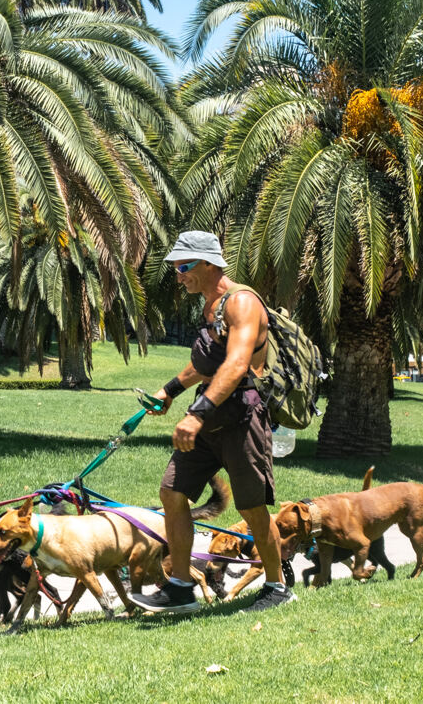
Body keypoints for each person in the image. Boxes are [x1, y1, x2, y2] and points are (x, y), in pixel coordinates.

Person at [128, 231, 293, 615]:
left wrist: (195, 414)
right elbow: (206, 363)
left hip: (241, 419)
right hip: (208, 418)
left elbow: (236, 364)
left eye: (184, 266)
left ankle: (277, 586)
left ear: (209, 264)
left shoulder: (242, 303)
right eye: (175, 267)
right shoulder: (209, 307)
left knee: (252, 509)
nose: (178, 274)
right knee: (172, 492)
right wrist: (170, 390)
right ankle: (182, 588)